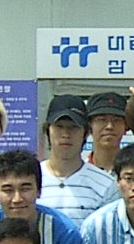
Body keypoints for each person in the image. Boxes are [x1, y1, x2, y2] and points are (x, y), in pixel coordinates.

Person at [38, 93, 118, 223]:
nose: (65, 134)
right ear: (47, 130)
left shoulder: (106, 184)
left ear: (86, 133)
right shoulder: (30, 180)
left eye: (73, 127)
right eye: (59, 126)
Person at [85, 92, 129, 175]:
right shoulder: (77, 172)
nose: (109, 126)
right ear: (89, 126)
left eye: (116, 120)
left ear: (126, 126)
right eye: (102, 120)